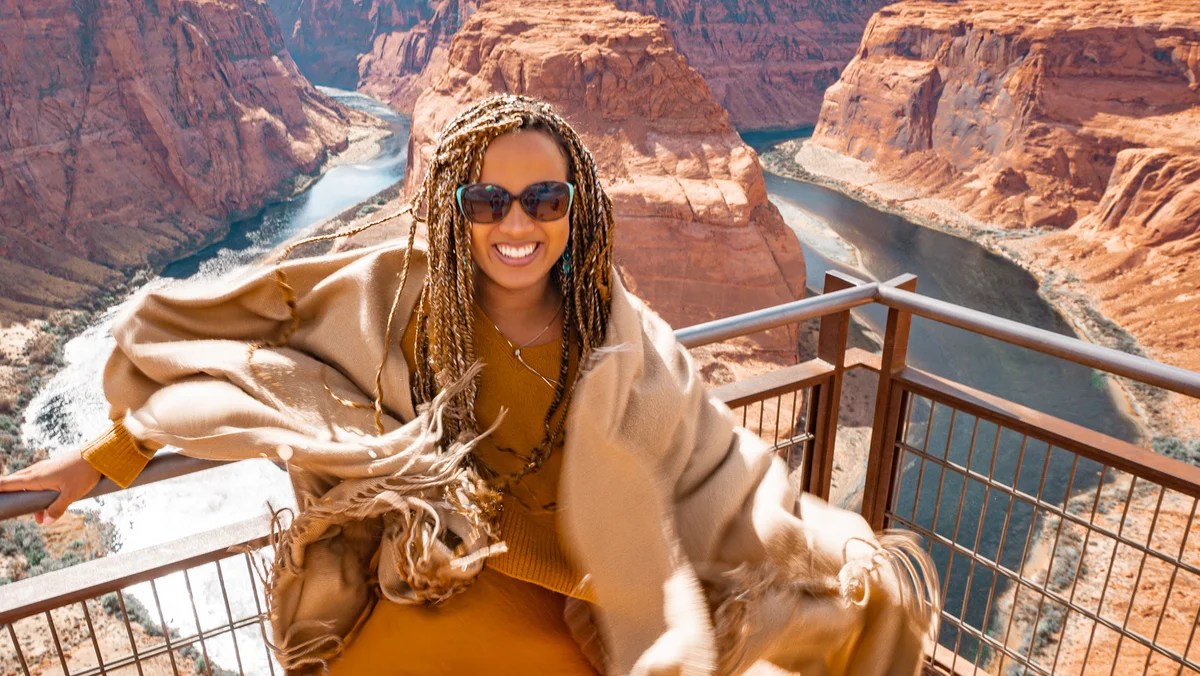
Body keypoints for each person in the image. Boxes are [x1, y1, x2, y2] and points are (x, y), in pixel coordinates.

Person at [0, 95, 938, 675]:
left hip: (582, 607)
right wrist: (106, 458)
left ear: (580, 211)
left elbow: (705, 462)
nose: (515, 223)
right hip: (442, 586)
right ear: (455, 206)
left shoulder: (621, 333)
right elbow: (254, 363)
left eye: (544, 199)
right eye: (486, 201)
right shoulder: (393, 294)